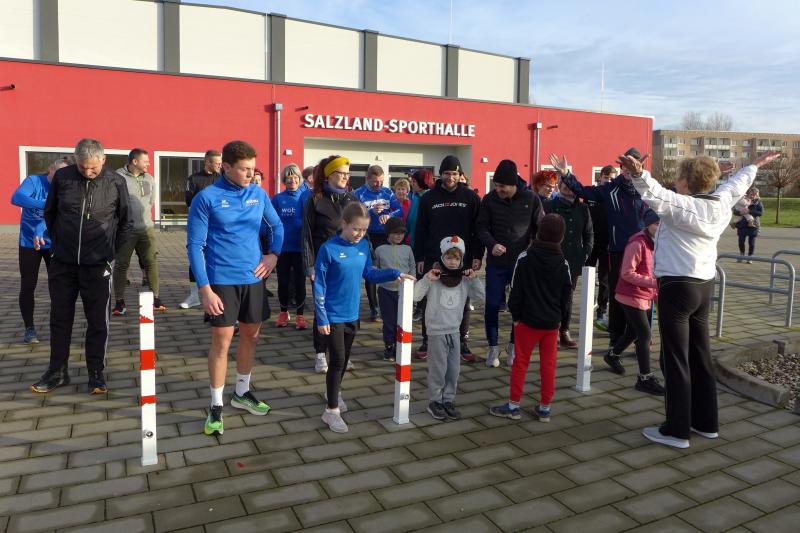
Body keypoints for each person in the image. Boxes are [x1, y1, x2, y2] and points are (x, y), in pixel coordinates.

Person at [620, 150, 780, 449]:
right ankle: (706, 424)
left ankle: (676, 431)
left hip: (677, 287)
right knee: (700, 355)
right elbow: (735, 185)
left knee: (675, 359)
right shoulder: (720, 203)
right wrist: (753, 165)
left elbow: (654, 194)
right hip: (703, 287)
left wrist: (640, 174)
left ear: (685, 181)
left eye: (678, 177)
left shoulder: (682, 206)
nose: (675, 181)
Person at [187, 140, 284, 436]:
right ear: (226, 167)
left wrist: (273, 255)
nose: (250, 174)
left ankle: (242, 392)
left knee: (251, 336)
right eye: (244, 169)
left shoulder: (258, 193)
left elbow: (277, 227)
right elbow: (195, 246)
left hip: (253, 279)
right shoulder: (206, 198)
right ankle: (216, 404)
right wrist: (204, 289)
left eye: (253, 169)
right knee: (222, 341)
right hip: (221, 280)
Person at [31, 139, 133, 394]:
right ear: (75, 160)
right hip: (63, 264)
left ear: (103, 160)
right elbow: (50, 213)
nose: (87, 172)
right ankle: (57, 372)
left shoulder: (116, 182)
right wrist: (58, 247)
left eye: (93, 168)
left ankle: (96, 373)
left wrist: (111, 255)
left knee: (98, 322)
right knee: (59, 318)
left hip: (97, 265)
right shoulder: (63, 177)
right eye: (82, 167)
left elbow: (126, 223)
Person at [314, 202, 413, 433]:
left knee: (344, 359)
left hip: (352, 313)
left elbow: (369, 273)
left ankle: (333, 392)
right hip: (332, 315)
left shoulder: (363, 247)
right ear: (344, 224)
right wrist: (322, 318)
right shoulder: (328, 249)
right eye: (356, 229)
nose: (360, 233)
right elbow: (319, 285)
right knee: (337, 360)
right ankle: (331, 411)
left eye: (364, 230)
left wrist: (395, 274)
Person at [550, 149, 648, 355]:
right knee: (617, 295)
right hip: (618, 251)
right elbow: (583, 191)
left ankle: (642, 340)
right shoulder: (610, 189)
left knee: (645, 295)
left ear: (641, 167)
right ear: (621, 168)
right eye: (626, 166)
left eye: (634, 166)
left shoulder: (649, 189)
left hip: (645, 252)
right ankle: (615, 340)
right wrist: (566, 174)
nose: (629, 170)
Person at [489, 214, 572, 422]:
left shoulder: (525, 257)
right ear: (561, 237)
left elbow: (515, 291)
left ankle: (513, 405)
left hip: (527, 321)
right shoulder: (563, 263)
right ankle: (545, 408)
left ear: (539, 232)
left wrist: (516, 317)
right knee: (548, 366)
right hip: (551, 323)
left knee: (520, 363)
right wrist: (562, 322)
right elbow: (567, 297)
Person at [414, 155, 483, 361]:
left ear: (460, 174)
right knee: (429, 300)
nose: (450, 177)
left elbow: (479, 229)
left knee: (463, 300)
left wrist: (478, 255)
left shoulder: (471, 198)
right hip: (434, 257)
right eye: (446, 173)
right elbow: (420, 229)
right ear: (440, 174)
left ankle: (462, 341)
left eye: (454, 173)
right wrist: (419, 257)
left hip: (462, 258)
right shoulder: (429, 198)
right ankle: (428, 340)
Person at [476, 159, 542, 367]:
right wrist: (492, 244)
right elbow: (481, 227)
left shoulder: (531, 199)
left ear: (513, 183)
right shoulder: (489, 200)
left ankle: (513, 346)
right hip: (496, 263)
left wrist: (532, 252)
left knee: (519, 307)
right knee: (492, 305)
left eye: (502, 186)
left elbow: (540, 228)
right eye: (496, 185)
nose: (498, 190)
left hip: (521, 264)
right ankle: (492, 347)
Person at [414, 236, 484, 420]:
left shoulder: (465, 279)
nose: (453, 261)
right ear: (442, 257)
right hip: (436, 331)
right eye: (449, 257)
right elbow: (414, 296)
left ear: (462, 259)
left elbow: (481, 296)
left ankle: (448, 400)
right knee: (438, 369)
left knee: (453, 370)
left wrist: (475, 279)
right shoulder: (434, 276)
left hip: (454, 330)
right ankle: (435, 401)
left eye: (457, 258)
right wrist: (427, 279)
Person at [302, 155, 359, 374]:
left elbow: (362, 231)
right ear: (328, 175)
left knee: (346, 308)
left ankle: (341, 355)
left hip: (348, 264)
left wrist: (368, 258)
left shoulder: (352, 199)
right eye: (340, 173)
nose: (345, 177)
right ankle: (320, 354)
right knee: (323, 308)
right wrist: (310, 265)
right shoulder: (314, 199)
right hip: (323, 264)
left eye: (347, 174)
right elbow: (306, 235)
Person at [602, 209, 665, 395]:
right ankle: (645, 378)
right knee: (644, 335)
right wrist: (654, 283)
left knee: (633, 331)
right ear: (648, 224)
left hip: (646, 295)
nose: (660, 227)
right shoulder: (637, 243)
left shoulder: (660, 242)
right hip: (630, 295)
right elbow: (626, 273)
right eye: (657, 223)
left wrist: (657, 294)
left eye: (663, 223)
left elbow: (656, 271)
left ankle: (612, 355)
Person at [12, 155, 73, 344]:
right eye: (58, 172)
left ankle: (58, 327)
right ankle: (29, 328)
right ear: (50, 169)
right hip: (29, 243)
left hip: (53, 243)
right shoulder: (34, 181)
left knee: (58, 287)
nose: (59, 177)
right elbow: (17, 198)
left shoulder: (65, 188)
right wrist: (47, 205)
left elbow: (61, 216)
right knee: (28, 285)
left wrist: (48, 217)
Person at [112, 149, 165, 316]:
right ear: (135, 162)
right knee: (121, 265)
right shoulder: (117, 177)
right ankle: (119, 303)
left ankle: (156, 299)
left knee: (151, 262)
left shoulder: (149, 178)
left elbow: (151, 201)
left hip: (147, 229)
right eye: (145, 161)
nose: (148, 164)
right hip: (125, 230)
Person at [543, 179, 593, 348]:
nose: (567, 187)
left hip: (574, 259)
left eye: (571, 185)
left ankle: (564, 330)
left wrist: (585, 252)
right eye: (564, 184)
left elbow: (589, 234)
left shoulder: (583, 208)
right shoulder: (548, 206)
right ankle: (551, 330)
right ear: (559, 187)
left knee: (567, 297)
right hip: (552, 257)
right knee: (551, 295)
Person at [353, 165, 403, 321]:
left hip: (384, 235)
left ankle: (389, 302)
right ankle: (373, 307)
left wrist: (388, 215)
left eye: (381, 181)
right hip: (366, 236)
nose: (378, 185)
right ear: (367, 179)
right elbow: (352, 215)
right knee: (371, 269)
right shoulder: (358, 193)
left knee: (387, 268)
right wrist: (369, 212)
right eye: (375, 181)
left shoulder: (387, 192)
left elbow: (399, 210)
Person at [180, 149, 222, 309]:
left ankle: (217, 294)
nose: (219, 166)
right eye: (217, 163)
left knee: (217, 259)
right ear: (207, 162)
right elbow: (189, 202)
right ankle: (193, 296)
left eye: (220, 163)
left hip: (218, 227)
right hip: (199, 225)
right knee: (195, 259)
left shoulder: (222, 179)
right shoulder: (194, 179)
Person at [374, 217, 416, 361]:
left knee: (403, 320)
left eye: (402, 233)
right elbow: (376, 269)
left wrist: (412, 283)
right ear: (388, 233)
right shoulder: (380, 250)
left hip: (404, 291)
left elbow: (412, 267)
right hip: (385, 291)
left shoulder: (408, 249)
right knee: (388, 321)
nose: (399, 236)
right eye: (395, 233)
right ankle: (389, 346)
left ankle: (401, 345)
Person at [272, 163, 307, 329]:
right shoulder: (278, 199)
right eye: (288, 178)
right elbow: (271, 222)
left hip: (301, 248)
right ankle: (283, 312)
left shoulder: (306, 197)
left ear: (299, 179)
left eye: (295, 177)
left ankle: (300, 315)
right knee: (283, 282)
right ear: (284, 180)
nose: (292, 180)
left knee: (300, 282)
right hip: (283, 248)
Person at [586, 165, 616, 330]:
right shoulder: (591, 194)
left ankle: (601, 313)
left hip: (607, 243)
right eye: (606, 178)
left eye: (612, 178)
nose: (609, 181)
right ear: (601, 177)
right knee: (588, 277)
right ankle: (587, 309)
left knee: (604, 280)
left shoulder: (614, 195)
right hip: (590, 242)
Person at [406, 169, 434, 248]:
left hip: (428, 244)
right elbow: (410, 219)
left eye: (414, 181)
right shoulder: (415, 196)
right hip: (414, 243)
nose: (411, 184)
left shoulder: (432, 198)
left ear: (422, 181)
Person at [735, 187, 763, 263]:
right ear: (749, 194)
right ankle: (741, 255)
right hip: (742, 224)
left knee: (751, 242)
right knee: (741, 241)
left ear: (757, 195)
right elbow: (735, 211)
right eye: (751, 194)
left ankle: (750, 257)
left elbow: (760, 213)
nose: (753, 196)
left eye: (755, 194)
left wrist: (750, 211)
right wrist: (739, 213)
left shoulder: (758, 202)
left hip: (753, 224)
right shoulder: (742, 200)